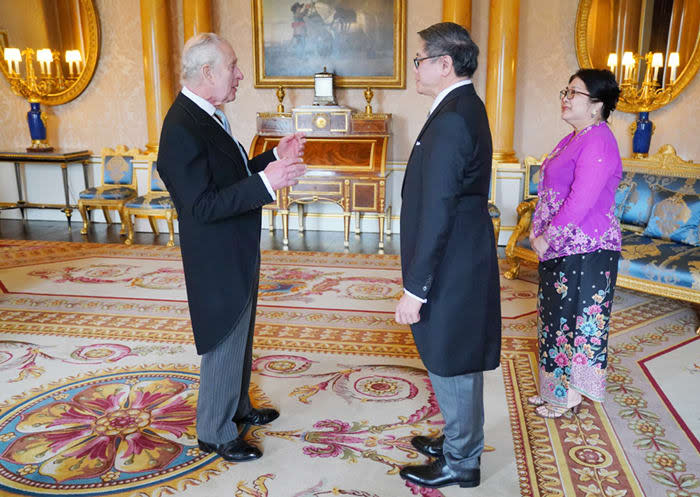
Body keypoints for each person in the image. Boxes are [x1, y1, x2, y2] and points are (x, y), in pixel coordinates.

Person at [156, 33, 306, 462]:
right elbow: (200, 206)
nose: (240, 75)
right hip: (215, 256)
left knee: (241, 332)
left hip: (235, 245)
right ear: (208, 73)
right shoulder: (181, 127)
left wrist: (271, 159)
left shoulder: (207, 115)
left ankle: (237, 408)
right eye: (233, 66)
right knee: (224, 336)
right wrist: (267, 183)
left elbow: (231, 175)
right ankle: (215, 432)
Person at [395, 22, 501, 489]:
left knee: (452, 358)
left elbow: (439, 208)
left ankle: (462, 461)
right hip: (458, 254)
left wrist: (415, 289)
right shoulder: (458, 107)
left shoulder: (456, 116)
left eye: (420, 60)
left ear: (445, 64)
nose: (416, 68)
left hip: (451, 262)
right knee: (452, 353)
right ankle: (459, 440)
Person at [528, 69, 622, 418]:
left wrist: (546, 236)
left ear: (596, 105)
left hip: (586, 249)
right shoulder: (574, 137)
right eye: (565, 91)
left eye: (575, 93)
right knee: (555, 320)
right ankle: (554, 391)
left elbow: (581, 202)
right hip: (562, 248)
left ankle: (568, 396)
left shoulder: (599, 140)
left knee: (574, 324)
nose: (566, 98)